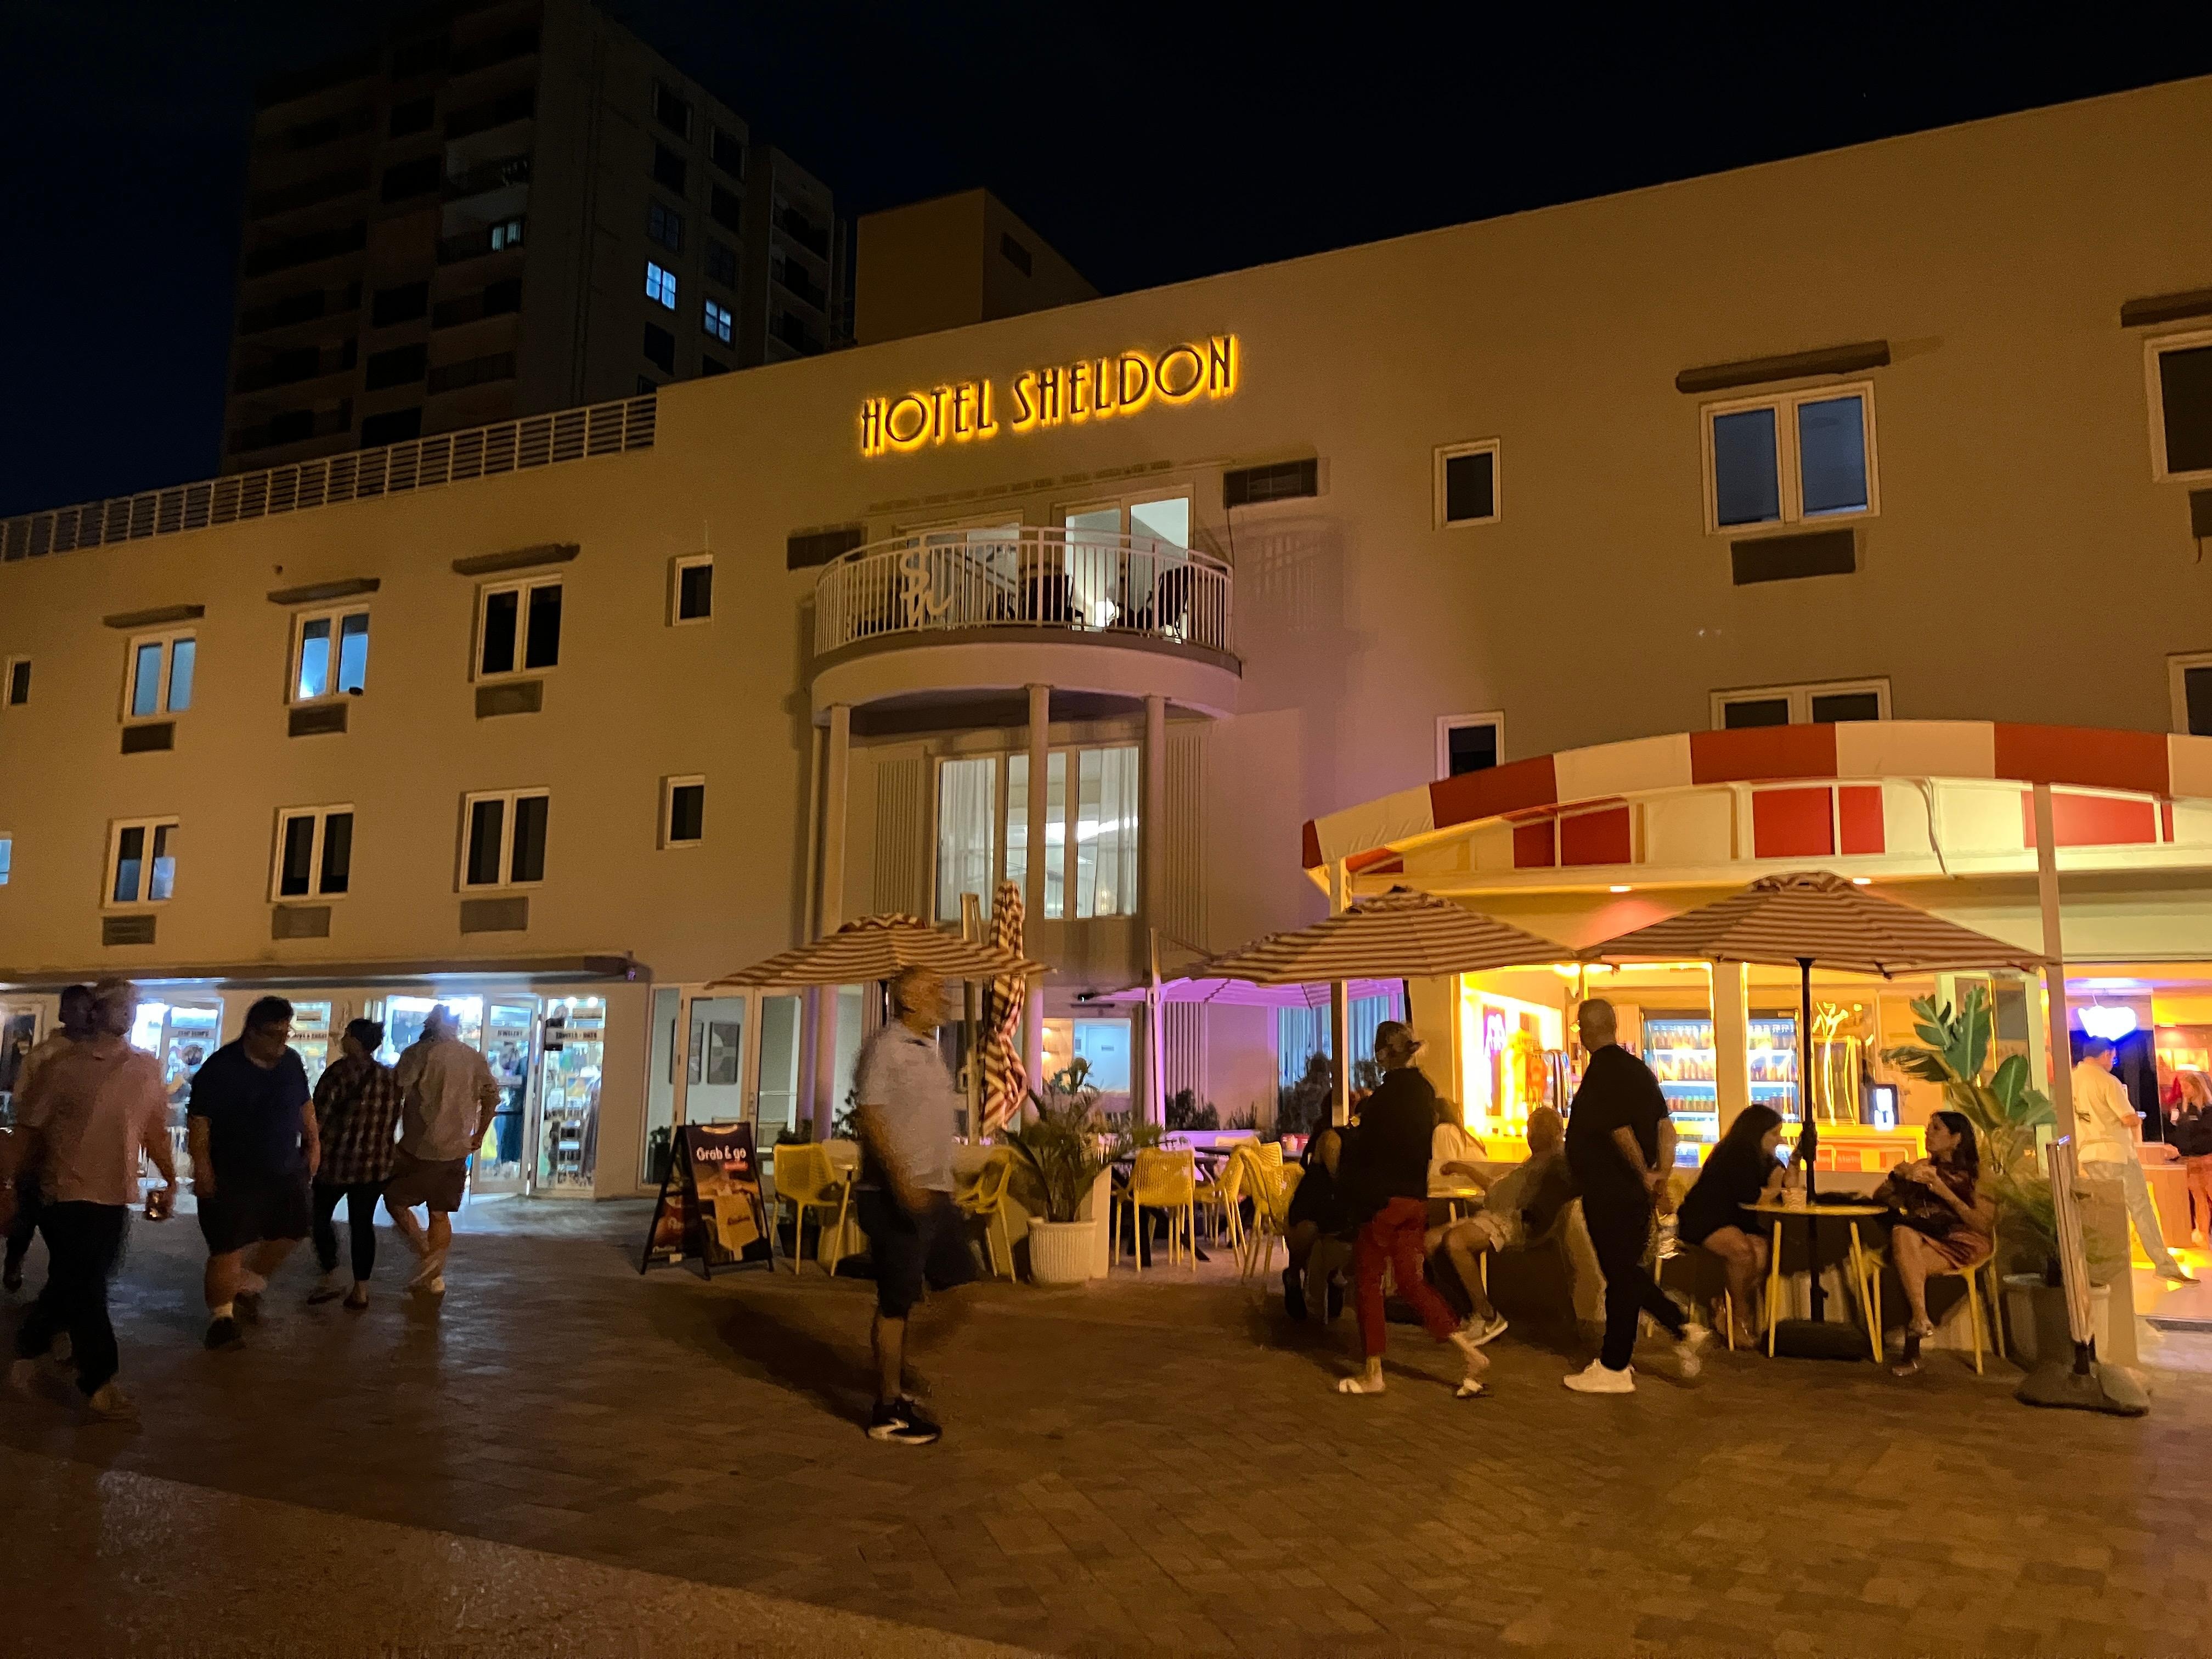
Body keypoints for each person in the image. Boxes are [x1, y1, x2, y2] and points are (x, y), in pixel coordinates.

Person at [7, 979, 176, 1419]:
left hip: (115, 1192)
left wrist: (170, 1178)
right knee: (87, 1285)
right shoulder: (61, 1067)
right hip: (66, 1190)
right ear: (96, 1012)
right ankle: (99, 1378)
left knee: (78, 1280)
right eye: (119, 1005)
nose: (128, 1012)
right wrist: (8, 1185)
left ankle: (30, 1344)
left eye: (133, 1005)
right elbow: (28, 1132)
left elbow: (154, 1128)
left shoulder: (145, 1068)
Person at [1330, 1022, 1488, 1398]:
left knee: (1368, 1281)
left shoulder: (1383, 1100)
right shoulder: (1425, 1092)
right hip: (1416, 1201)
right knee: (1412, 1283)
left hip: (1384, 1202)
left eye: (1378, 1049)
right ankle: (1468, 1353)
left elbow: (1366, 1151)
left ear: (1387, 1052)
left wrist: (1356, 1124)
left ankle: (1373, 1371)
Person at [852, 965, 976, 1446]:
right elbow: (871, 1114)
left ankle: (896, 1370)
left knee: (960, 1286)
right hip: (896, 1195)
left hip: (935, 1193)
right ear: (907, 1000)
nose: (943, 997)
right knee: (896, 1301)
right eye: (933, 990)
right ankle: (887, 1409)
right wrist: (902, 1179)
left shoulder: (931, 1050)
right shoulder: (887, 1049)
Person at [1561, 998, 1708, 1393]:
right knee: (1626, 1271)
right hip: (1633, 1191)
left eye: (1580, 1028)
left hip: (1610, 1189)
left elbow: (1618, 1129)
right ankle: (1677, 1330)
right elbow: (1665, 1127)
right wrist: (1662, 1174)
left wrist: (1645, 1174)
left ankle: (1617, 1365)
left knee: (1621, 1274)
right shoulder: (1638, 1071)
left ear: (1589, 1029)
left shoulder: (1602, 1073)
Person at [188, 996, 318, 1351]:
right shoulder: (220, 1069)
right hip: (233, 1172)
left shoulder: (291, 1063)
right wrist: (202, 1165)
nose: (281, 1041)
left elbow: (304, 1105)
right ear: (252, 1032)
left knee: (293, 1230)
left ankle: (251, 1281)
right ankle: (222, 1319)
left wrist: (314, 1143)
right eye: (273, 1034)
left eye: (285, 1033)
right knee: (227, 1245)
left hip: (283, 1168)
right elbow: (199, 1122)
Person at [1427, 1103, 1578, 1346]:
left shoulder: (1553, 1165)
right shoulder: (1537, 1162)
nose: (1530, 1135)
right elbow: (1498, 1192)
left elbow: (1506, 1200)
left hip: (1513, 1223)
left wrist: (1465, 1171)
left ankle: (1487, 1315)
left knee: (1455, 1241)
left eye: (1534, 1130)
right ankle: (1465, 1311)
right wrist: (1464, 1169)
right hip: (1499, 1218)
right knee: (1430, 1241)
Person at [386, 1006, 500, 1297]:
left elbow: (395, 1092)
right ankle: (435, 1276)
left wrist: (388, 1134)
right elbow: (491, 1098)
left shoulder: (418, 1054)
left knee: (395, 1200)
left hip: (421, 1146)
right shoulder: (473, 1057)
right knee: (440, 1212)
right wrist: (479, 1134)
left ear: (430, 1024)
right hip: (458, 1148)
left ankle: (428, 1257)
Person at [1875, 1110, 1996, 1375]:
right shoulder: (1922, 1168)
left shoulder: (1978, 1175)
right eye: (1929, 1127)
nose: (1928, 1132)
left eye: (1937, 1128)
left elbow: (1982, 1225)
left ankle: (1914, 1350)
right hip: (1926, 1236)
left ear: (1956, 1138)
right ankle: (1920, 1318)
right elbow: (1881, 1197)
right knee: (1903, 1235)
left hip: (1964, 1240)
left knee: (1909, 1266)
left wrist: (1944, 1192)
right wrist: (1898, 1177)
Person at [2073, 1036, 2192, 1282]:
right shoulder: (2108, 1081)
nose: (2113, 1062)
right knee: (2140, 1208)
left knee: (2104, 1213)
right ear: (2106, 1054)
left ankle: (2106, 1271)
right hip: (2116, 1154)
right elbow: (2128, 1118)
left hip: (2087, 1155)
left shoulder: (2072, 1079)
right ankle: (2163, 1265)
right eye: (2113, 1057)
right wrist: (2137, 1118)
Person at [1675, 1104, 1793, 1348]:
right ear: (1756, 1132)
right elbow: (1751, 1196)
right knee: (1742, 1253)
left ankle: (1725, 1307)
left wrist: (1796, 1160)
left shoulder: (1764, 1158)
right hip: (1705, 1217)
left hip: (1734, 1220)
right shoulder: (1738, 1153)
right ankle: (1738, 1316)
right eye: (1774, 1133)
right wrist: (1774, 1190)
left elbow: (1788, 1187)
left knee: (1761, 1253)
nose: (1780, 1139)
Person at [4, 984, 94, 1294]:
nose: (84, 1016)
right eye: (78, 1008)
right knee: (27, 1219)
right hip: (41, 1151)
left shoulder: (100, 1056)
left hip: (79, 1156)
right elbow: (23, 1103)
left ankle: (58, 1292)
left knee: (67, 1232)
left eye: (89, 1008)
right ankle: (14, 1262)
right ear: (64, 1013)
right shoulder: (44, 1056)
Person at [308, 1018, 403, 1310]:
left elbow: (318, 1119)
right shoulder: (389, 1077)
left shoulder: (338, 1073)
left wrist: (308, 1152)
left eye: (347, 1034)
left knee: (318, 1217)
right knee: (363, 1225)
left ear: (355, 1040)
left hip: (335, 1164)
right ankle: (361, 1290)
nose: (343, 1038)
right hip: (375, 1166)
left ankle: (330, 1272)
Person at [1282, 1122, 1353, 1322]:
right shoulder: (1331, 1137)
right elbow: (1335, 1175)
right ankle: (1295, 1276)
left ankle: (1335, 1276)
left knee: (1353, 1230)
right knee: (1309, 1230)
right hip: (1312, 1206)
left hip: (1335, 1207)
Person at [2170, 1070, 2212, 1245]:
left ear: (2197, 1087)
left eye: (2186, 1086)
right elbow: (2177, 1132)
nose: (2183, 1090)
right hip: (2190, 1161)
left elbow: (2207, 1136)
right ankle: (2202, 1235)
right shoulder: (2182, 1109)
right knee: (2199, 1199)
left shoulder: (2209, 1110)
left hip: (2208, 1160)